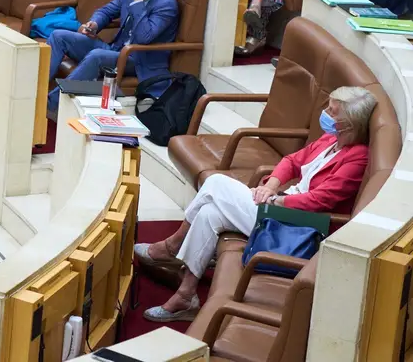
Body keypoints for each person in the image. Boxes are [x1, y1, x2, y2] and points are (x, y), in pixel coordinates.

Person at [135, 86, 376, 322]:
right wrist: (271, 186)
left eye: (333, 112)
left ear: (349, 124)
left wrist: (276, 200)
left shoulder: (358, 157)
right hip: (283, 203)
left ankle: (170, 247)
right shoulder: (330, 140)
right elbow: (292, 161)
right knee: (209, 213)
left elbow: (319, 200)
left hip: (299, 223)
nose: (326, 114)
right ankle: (186, 295)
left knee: (216, 182)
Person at [45, 0, 178, 119]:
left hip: (139, 60)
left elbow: (144, 37)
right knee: (58, 36)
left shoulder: (166, 4)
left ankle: (50, 104)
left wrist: (138, 0)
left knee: (97, 56)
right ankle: (32, 92)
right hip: (116, 49)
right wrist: (95, 24)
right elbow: (108, 10)